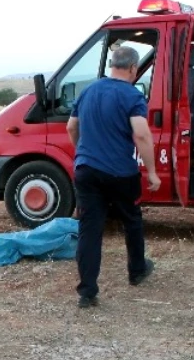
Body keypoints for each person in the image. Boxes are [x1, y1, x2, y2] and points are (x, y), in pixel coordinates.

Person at [65, 45, 162, 309]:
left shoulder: (88, 90)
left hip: (86, 170)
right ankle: (137, 270)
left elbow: (71, 126)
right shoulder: (132, 96)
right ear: (132, 69)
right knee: (131, 220)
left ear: (112, 66)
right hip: (120, 172)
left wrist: (82, 151)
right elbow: (141, 135)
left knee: (90, 229)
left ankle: (87, 292)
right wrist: (152, 172)